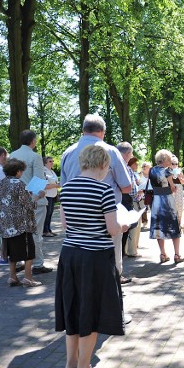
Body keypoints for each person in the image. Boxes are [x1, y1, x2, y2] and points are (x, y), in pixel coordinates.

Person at [55, 145, 129, 368]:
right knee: (92, 309)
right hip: (95, 257)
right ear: (103, 165)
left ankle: (71, 364)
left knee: (73, 307)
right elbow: (111, 229)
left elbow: (65, 225)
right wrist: (123, 226)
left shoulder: (66, 189)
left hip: (70, 255)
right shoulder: (104, 190)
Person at [60, 114, 133, 285]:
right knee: (109, 268)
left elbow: (63, 186)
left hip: (74, 222)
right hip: (105, 218)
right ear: (102, 131)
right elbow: (127, 186)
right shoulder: (110, 152)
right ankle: (113, 287)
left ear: (83, 130)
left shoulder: (68, 152)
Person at [10, 130, 57, 275]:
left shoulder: (12, 155)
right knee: (35, 234)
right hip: (33, 200)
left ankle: (19, 261)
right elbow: (38, 179)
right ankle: (37, 263)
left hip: (16, 200)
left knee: (18, 233)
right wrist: (37, 196)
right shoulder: (35, 157)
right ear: (33, 141)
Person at [0, 158, 42, 287]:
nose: (22, 173)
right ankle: (28, 278)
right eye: (21, 171)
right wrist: (39, 196)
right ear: (17, 171)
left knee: (12, 252)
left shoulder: (2, 183)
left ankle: (12, 276)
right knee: (28, 251)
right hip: (21, 224)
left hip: (6, 224)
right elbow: (29, 205)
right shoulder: (19, 184)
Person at [149, 149, 183, 263]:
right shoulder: (167, 171)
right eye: (169, 159)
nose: (170, 161)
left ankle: (163, 254)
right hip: (167, 201)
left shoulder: (151, 170)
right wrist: (173, 188)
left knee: (158, 227)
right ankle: (177, 255)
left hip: (156, 201)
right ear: (165, 160)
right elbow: (173, 187)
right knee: (174, 226)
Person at [125, 157, 143, 257]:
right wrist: (140, 191)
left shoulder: (133, 173)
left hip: (134, 201)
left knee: (136, 226)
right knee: (134, 227)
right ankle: (131, 251)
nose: (137, 165)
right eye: (135, 164)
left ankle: (132, 249)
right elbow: (132, 190)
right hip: (132, 202)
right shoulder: (129, 171)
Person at [42, 156, 60, 237]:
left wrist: (57, 185)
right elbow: (44, 186)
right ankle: (45, 230)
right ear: (45, 162)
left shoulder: (52, 172)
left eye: (52, 161)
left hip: (53, 195)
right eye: (50, 161)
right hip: (47, 195)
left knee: (50, 213)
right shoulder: (43, 171)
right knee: (47, 213)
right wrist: (56, 185)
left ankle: (49, 229)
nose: (52, 162)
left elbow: (55, 182)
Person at [170, 155, 184, 224]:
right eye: (173, 163)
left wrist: (180, 178)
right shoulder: (167, 171)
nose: (174, 165)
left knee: (179, 207)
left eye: (176, 164)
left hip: (179, 191)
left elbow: (183, 182)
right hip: (170, 191)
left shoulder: (179, 171)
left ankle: (179, 223)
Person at [139, 162, 152, 227]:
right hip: (141, 193)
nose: (144, 168)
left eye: (145, 166)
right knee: (143, 208)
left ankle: (153, 222)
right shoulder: (139, 175)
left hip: (150, 193)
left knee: (152, 207)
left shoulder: (152, 175)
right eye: (143, 166)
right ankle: (144, 222)